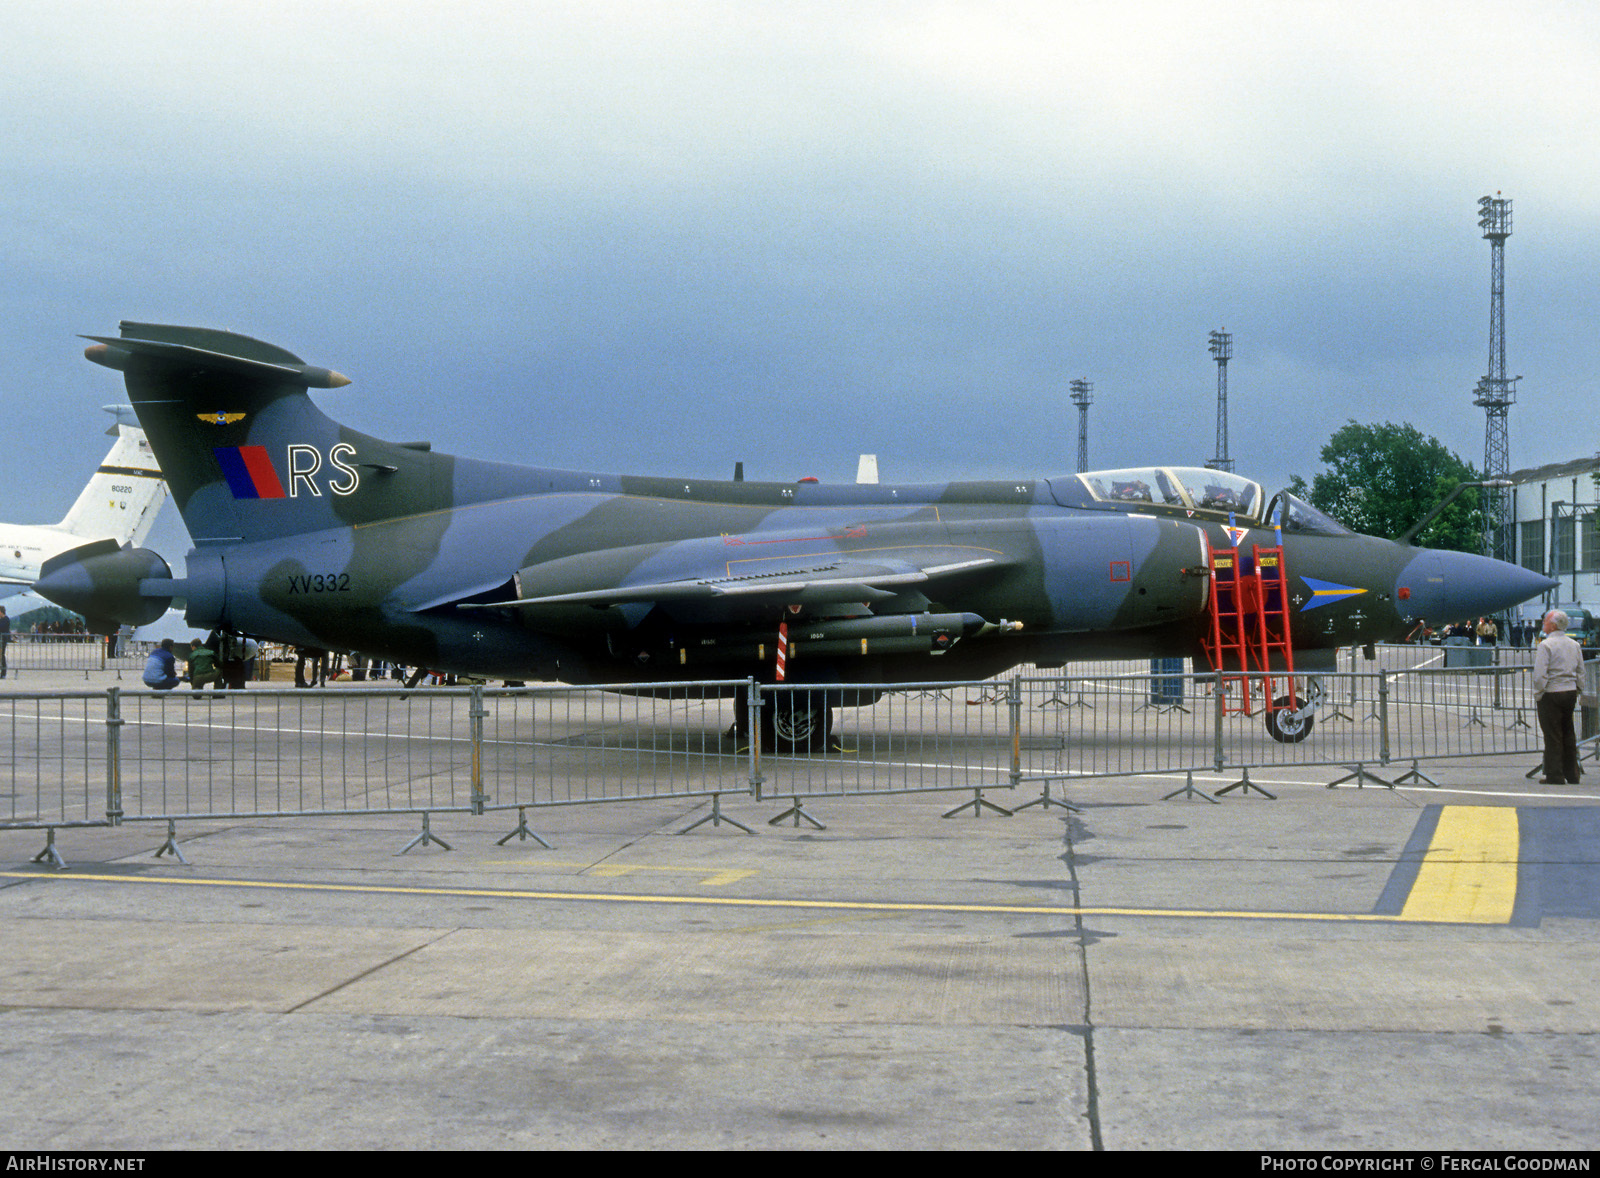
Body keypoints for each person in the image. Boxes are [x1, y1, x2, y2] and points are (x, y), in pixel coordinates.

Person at [1533, 609, 1584, 785]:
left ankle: (1555, 774)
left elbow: (1540, 674)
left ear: (1553, 625)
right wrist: (1577, 688)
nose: (1543, 624)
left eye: (1545, 621)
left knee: (1552, 734)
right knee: (1568, 732)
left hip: (1552, 692)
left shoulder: (1545, 645)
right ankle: (1572, 773)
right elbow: (1580, 671)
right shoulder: (1574, 644)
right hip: (1569, 691)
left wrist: (1539, 693)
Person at [0, 606, 10, 679]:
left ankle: (3, 673)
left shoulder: (6, 619)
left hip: (3, 640)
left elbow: (1, 627)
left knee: (1, 655)